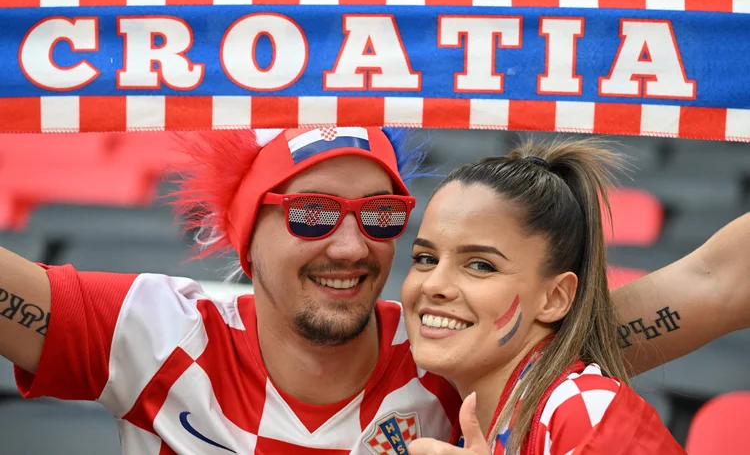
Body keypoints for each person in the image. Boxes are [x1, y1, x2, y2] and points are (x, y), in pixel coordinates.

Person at [0, 127, 748, 454]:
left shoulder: (467, 352)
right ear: (243, 235)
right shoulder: (155, 328)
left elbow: (717, 280)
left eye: (383, 215)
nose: (353, 244)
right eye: (311, 213)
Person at [405, 138, 685, 455]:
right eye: (425, 259)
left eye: (481, 265)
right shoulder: (452, 411)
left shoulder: (589, 413)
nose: (433, 285)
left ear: (554, 298)